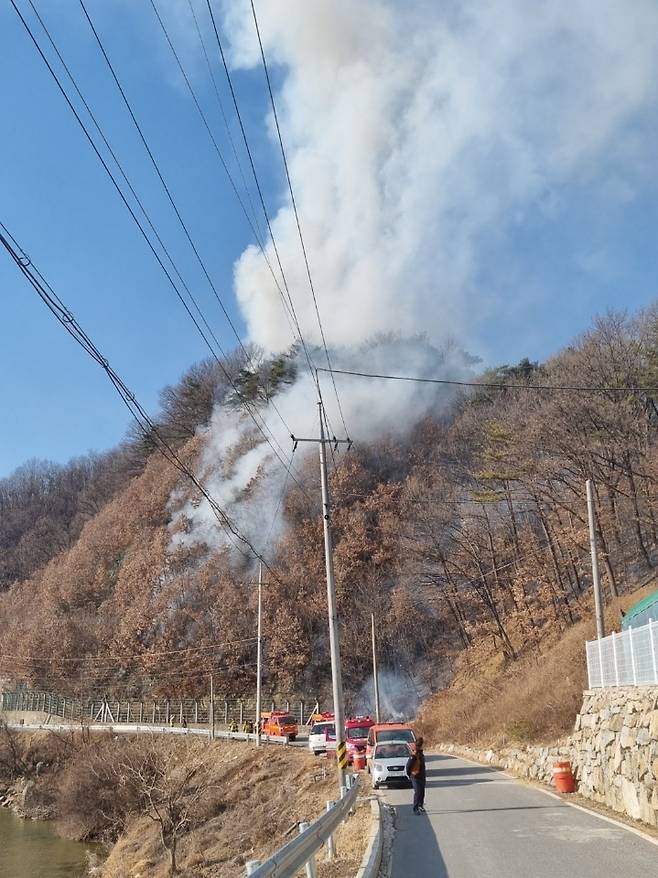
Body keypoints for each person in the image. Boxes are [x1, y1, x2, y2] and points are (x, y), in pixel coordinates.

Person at [406, 737, 426, 814]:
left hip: (422, 775)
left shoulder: (421, 754)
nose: (420, 747)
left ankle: (420, 805)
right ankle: (415, 808)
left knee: (422, 791)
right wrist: (409, 775)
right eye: (419, 745)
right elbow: (408, 766)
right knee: (417, 792)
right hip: (415, 776)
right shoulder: (413, 755)